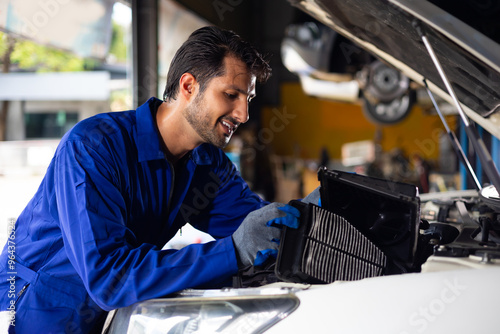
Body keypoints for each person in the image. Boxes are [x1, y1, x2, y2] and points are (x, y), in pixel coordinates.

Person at [0, 26, 305, 333]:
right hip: (32, 313)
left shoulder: (206, 163)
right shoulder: (93, 148)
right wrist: (231, 253)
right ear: (188, 86)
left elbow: (258, 228)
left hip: (104, 315)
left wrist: (312, 215)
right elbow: (109, 278)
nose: (243, 113)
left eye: (248, 98)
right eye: (231, 95)